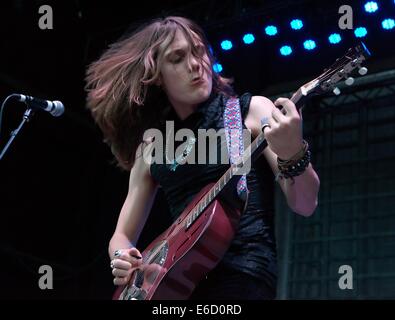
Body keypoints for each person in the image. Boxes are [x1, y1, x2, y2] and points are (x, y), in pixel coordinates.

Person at [85, 15, 320, 300]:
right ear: (157, 76)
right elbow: (121, 236)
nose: (195, 64)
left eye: (199, 51)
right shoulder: (151, 147)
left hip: (244, 277)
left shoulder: (250, 112)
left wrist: (292, 151)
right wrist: (122, 257)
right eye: (177, 58)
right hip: (175, 286)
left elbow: (305, 204)